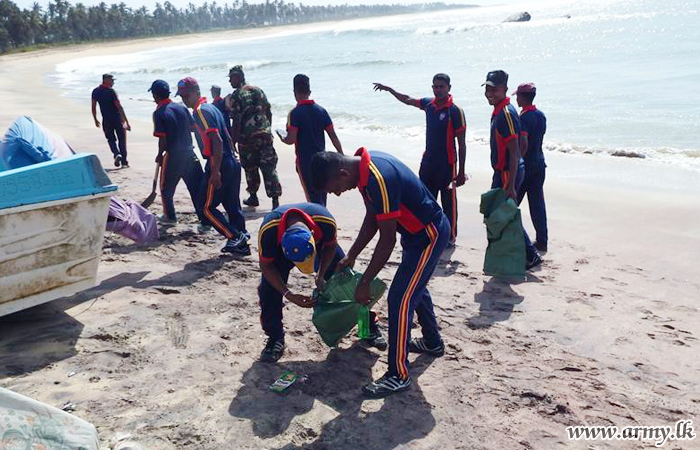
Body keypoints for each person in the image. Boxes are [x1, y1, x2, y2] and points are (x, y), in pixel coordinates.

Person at [311, 148, 450, 398]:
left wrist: (364, 282)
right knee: (414, 287)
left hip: (428, 234)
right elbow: (373, 218)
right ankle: (432, 342)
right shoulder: (363, 170)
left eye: (335, 188)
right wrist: (352, 254)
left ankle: (398, 375)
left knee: (399, 298)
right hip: (413, 234)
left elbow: (387, 240)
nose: (338, 193)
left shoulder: (377, 178)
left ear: (342, 173)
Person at [257, 202, 386, 362]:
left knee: (347, 281)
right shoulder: (268, 231)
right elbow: (266, 266)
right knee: (268, 290)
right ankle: (275, 338)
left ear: (312, 234)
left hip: (319, 246)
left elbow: (330, 246)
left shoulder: (324, 221)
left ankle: (367, 327)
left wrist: (321, 274)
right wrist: (288, 294)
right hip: (283, 252)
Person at [373, 74, 467, 245]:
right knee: (425, 199)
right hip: (428, 162)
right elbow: (408, 99)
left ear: (449, 88)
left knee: (449, 203)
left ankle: (450, 238)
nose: (438, 90)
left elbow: (462, 144)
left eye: (441, 87)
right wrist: (389, 90)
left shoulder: (455, 111)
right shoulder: (428, 104)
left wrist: (461, 172)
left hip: (447, 165)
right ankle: (429, 231)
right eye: (435, 87)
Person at [176, 76, 250, 255]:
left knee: (206, 208)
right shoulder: (213, 109)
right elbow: (227, 135)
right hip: (230, 160)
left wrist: (215, 171)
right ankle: (242, 237)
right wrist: (233, 156)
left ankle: (234, 237)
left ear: (197, 92)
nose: (184, 99)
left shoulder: (200, 112)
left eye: (186, 95)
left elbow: (216, 140)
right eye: (182, 96)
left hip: (220, 162)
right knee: (232, 204)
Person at [482, 70, 541, 269]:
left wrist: (511, 185)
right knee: (498, 214)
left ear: (505, 89)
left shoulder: (506, 114)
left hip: (509, 172)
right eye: (488, 89)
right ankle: (515, 254)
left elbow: (515, 152)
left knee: (505, 214)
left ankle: (530, 255)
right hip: (502, 171)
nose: (490, 93)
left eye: (494, 89)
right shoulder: (498, 110)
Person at [278, 74, 343, 206]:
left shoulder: (295, 113)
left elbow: (291, 140)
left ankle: (320, 223)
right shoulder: (321, 111)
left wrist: (282, 137)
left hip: (306, 162)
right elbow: (333, 137)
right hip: (323, 160)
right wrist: (342, 156)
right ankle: (324, 220)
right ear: (309, 92)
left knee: (312, 197)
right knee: (322, 195)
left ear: (294, 93)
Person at [225, 65, 282, 209]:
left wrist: (233, 141)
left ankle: (253, 196)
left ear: (238, 77)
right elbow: (268, 112)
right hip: (264, 134)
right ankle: (275, 200)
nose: (230, 82)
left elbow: (236, 121)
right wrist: (267, 128)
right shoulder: (258, 90)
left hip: (247, 138)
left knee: (250, 168)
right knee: (269, 167)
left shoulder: (237, 95)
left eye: (231, 78)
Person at [149, 79, 204, 225]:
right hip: (189, 152)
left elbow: (163, 140)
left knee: (166, 188)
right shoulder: (181, 108)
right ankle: (204, 219)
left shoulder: (159, 112)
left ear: (156, 95)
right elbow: (193, 128)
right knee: (196, 189)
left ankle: (170, 216)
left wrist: (160, 154)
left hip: (173, 155)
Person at [514, 82, 548, 253]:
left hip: (526, 166)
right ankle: (542, 240)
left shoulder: (523, 118)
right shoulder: (541, 115)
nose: (516, 99)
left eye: (518, 96)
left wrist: (517, 161)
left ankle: (511, 238)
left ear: (522, 97)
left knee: (511, 204)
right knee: (537, 204)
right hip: (539, 163)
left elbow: (524, 143)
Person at [91, 74, 131, 168]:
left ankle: (116, 154)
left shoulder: (96, 91)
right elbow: (119, 107)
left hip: (106, 119)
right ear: (106, 80)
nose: (113, 82)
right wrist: (126, 121)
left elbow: (93, 107)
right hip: (117, 119)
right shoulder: (111, 92)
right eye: (112, 80)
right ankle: (124, 162)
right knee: (122, 140)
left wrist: (95, 119)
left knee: (111, 139)